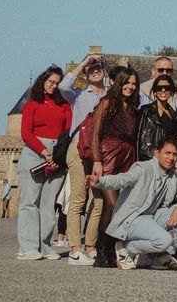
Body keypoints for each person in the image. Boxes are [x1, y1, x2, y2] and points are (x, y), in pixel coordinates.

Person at [89, 138, 177, 270]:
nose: (171, 158)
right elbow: (122, 179)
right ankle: (127, 248)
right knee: (165, 240)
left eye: (175, 154)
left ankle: (162, 256)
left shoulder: (171, 175)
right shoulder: (143, 168)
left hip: (151, 218)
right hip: (132, 219)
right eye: (167, 153)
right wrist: (100, 181)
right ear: (157, 153)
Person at [16, 66, 72, 260]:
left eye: (57, 83)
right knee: (30, 201)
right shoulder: (31, 105)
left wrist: (57, 156)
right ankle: (28, 246)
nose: (53, 86)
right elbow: (26, 133)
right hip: (34, 153)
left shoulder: (64, 106)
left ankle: (45, 245)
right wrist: (43, 151)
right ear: (43, 81)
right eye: (51, 81)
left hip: (56, 155)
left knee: (48, 204)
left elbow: (66, 133)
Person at [58, 53, 108, 264]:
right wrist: (83, 62)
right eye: (91, 69)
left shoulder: (110, 95)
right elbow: (63, 86)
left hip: (99, 151)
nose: (94, 70)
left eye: (98, 68)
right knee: (78, 198)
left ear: (104, 72)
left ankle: (90, 246)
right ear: (86, 74)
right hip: (78, 148)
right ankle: (75, 249)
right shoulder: (78, 94)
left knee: (98, 201)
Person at [90, 66, 140, 264]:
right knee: (111, 204)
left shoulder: (132, 107)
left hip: (128, 154)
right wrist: (96, 160)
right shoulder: (107, 102)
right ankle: (101, 250)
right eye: (127, 82)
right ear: (119, 82)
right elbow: (95, 132)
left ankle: (111, 250)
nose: (130, 87)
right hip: (109, 152)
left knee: (123, 205)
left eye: (134, 84)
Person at [136, 75, 177, 161]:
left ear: (171, 91)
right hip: (150, 161)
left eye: (167, 88)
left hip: (168, 161)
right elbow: (141, 143)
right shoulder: (146, 111)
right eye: (159, 88)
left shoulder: (173, 114)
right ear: (155, 91)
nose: (163, 90)